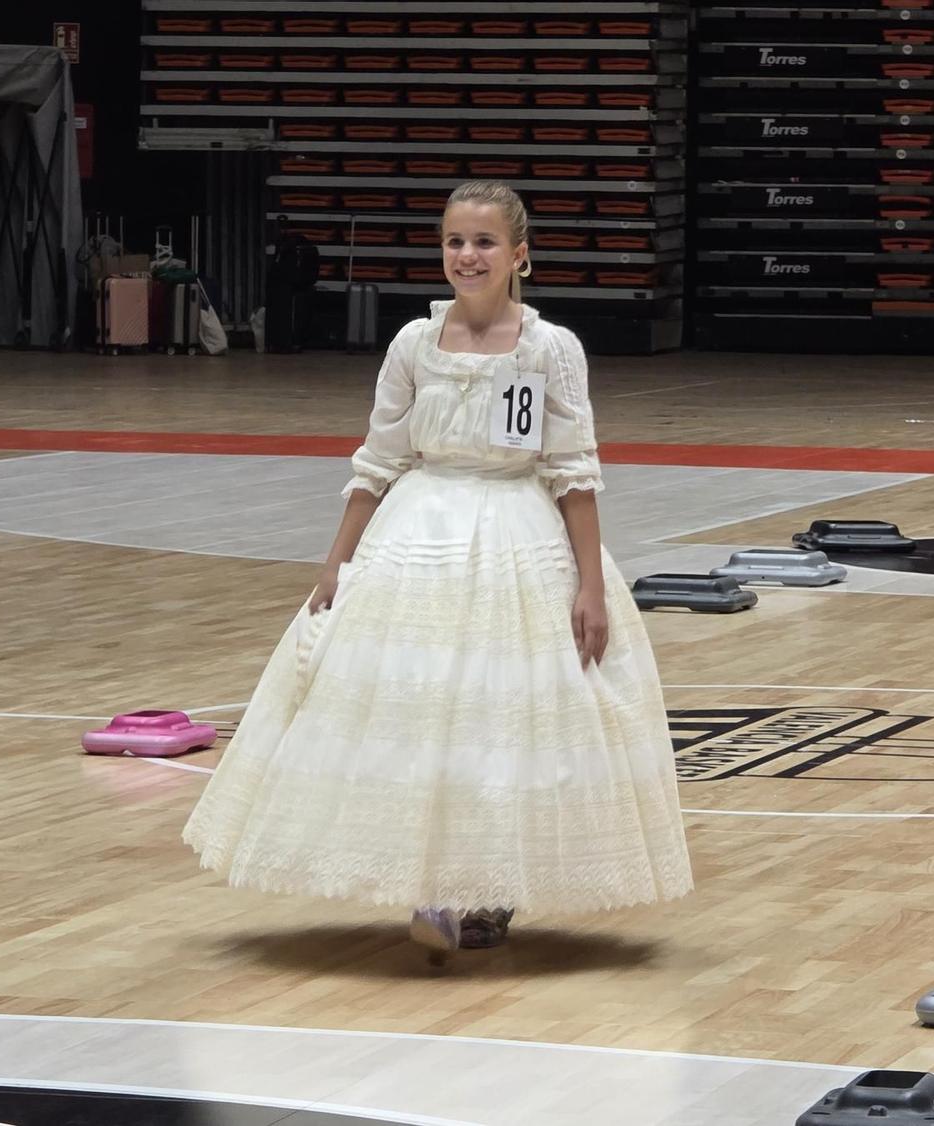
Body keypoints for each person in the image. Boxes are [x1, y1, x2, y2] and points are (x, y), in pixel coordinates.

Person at [183, 180, 693, 958]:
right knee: (411, 711)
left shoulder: (548, 349)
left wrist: (590, 585)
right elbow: (379, 459)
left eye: (485, 242)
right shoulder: (413, 346)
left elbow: (573, 471)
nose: (467, 256)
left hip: (517, 538)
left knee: (501, 719)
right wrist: (336, 562)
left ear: (519, 254)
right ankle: (430, 884)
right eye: (455, 241)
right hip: (417, 538)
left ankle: (487, 889)